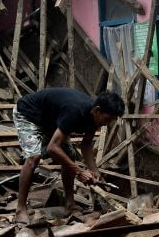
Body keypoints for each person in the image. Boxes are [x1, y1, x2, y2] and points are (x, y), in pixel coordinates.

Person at [12, 88, 125, 225]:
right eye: (107, 119)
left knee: (69, 155)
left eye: (110, 121)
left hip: (50, 119)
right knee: (34, 158)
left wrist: (95, 171)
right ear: (97, 110)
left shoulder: (95, 119)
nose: (106, 124)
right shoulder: (75, 111)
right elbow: (52, 148)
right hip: (28, 113)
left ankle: (69, 205)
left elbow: (86, 145)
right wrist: (79, 172)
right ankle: (20, 209)